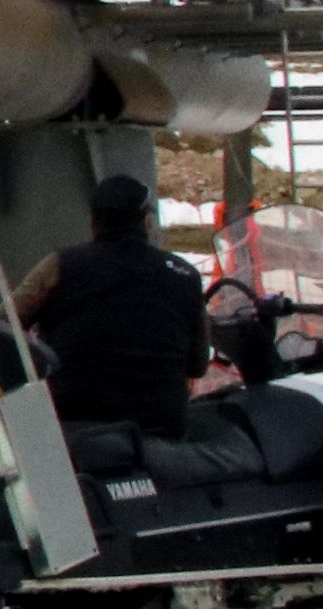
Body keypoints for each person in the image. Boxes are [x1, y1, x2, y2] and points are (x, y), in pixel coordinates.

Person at [14, 173, 214, 436]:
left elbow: (3, 324)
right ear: (148, 223)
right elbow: (198, 365)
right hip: (162, 431)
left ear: (93, 223)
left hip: (77, 430)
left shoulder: (61, 266)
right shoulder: (184, 274)